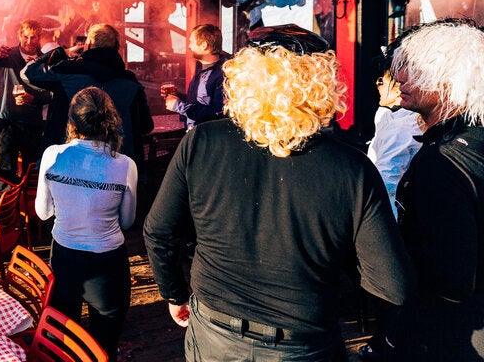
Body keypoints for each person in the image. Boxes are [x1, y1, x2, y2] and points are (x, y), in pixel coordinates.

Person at [144, 24, 414, 361]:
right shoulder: (353, 169)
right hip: (302, 345)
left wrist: (174, 295)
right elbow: (392, 285)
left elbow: (158, 231)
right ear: (320, 84)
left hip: (214, 332)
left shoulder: (201, 142)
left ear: (243, 79)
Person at [385, 19, 484, 360]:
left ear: (448, 78)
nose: (400, 79)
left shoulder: (443, 160)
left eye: (412, 69)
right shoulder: (472, 140)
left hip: (455, 335)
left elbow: (448, 275)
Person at [35, 86, 138, 362]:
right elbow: (127, 221)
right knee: (104, 347)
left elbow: (43, 212)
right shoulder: (125, 165)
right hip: (108, 264)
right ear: (110, 120)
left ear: (72, 121)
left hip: (66, 257)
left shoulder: (52, 155)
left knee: (63, 342)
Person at [22, 23, 153, 159]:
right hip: (119, 165)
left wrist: (63, 52)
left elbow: (28, 73)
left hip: (69, 160)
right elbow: (146, 126)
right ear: (116, 49)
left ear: (89, 44)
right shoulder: (130, 81)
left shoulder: (67, 71)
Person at [0, 18, 50, 183]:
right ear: (19, 36)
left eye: (34, 37)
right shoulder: (8, 55)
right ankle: (2, 208)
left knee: (31, 172)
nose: (29, 42)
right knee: (3, 173)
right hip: (8, 120)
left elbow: (51, 93)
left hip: (32, 122)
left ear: (39, 38)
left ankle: (27, 208)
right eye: (26, 37)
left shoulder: (44, 61)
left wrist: (33, 99)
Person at [367, 70, 423, 219]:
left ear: (398, 89)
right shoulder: (397, 119)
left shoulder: (399, 128)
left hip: (390, 213)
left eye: (381, 81)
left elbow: (386, 179)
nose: (377, 86)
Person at [161, 23, 227, 127]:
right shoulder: (201, 68)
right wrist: (176, 97)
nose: (189, 46)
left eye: (191, 42)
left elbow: (218, 113)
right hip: (195, 134)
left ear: (204, 45)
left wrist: (178, 105)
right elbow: (198, 103)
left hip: (206, 137)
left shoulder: (222, 75)